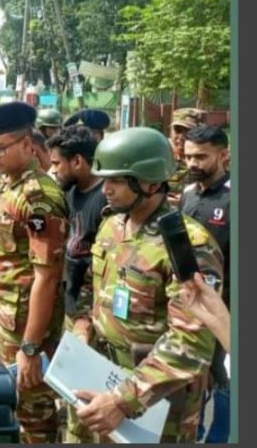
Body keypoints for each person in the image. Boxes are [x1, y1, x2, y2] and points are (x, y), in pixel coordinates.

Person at [72, 127, 224, 443]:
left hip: (157, 400)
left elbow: (192, 341)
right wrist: (83, 325)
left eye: (116, 181)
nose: (106, 190)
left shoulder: (188, 245)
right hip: (105, 377)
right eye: (105, 180)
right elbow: (92, 284)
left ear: (150, 182)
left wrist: (122, 400)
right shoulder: (113, 224)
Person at [0, 101, 69, 444]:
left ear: (29, 145)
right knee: (19, 404)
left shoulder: (38, 196)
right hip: (7, 319)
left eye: (0, 148)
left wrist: (30, 348)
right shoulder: (6, 184)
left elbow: (47, 276)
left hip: (28, 328)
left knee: (35, 415)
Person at [45, 125, 107, 443]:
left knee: (85, 401)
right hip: (71, 308)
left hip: (92, 317)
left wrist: (84, 319)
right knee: (72, 395)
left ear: (78, 161)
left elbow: (104, 272)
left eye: (57, 163)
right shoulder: (70, 192)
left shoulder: (106, 201)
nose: (53, 170)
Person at [180, 125, 230, 444]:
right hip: (189, 307)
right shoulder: (187, 195)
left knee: (223, 380)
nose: (192, 163)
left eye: (201, 156)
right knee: (192, 378)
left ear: (223, 155)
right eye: (187, 156)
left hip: (226, 311)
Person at [167, 107, 207, 207]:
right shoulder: (161, 152)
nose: (181, 136)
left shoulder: (211, 157)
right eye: (177, 130)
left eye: (188, 131)